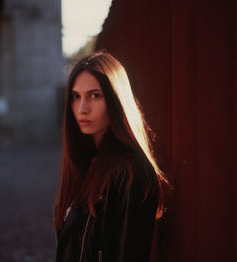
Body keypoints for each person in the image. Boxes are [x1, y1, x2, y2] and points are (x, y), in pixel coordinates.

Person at [54, 51, 169, 262]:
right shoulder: (84, 164)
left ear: (116, 99)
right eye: (75, 96)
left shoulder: (131, 172)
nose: (82, 108)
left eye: (94, 95)